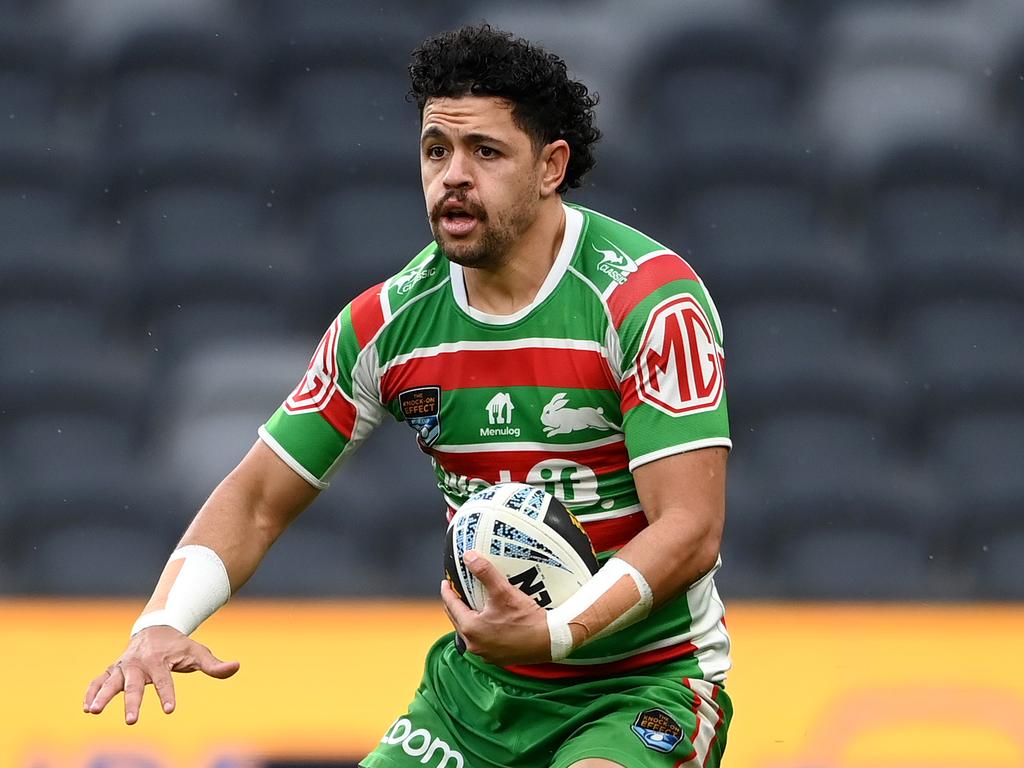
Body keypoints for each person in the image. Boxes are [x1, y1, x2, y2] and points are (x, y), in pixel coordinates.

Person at [84, 24, 733, 768]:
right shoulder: (386, 325)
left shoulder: (647, 300)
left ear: (552, 166)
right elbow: (259, 496)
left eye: (485, 152)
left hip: (641, 686)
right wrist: (163, 619)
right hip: (475, 696)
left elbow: (689, 528)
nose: (453, 175)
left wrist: (557, 634)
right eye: (436, 151)